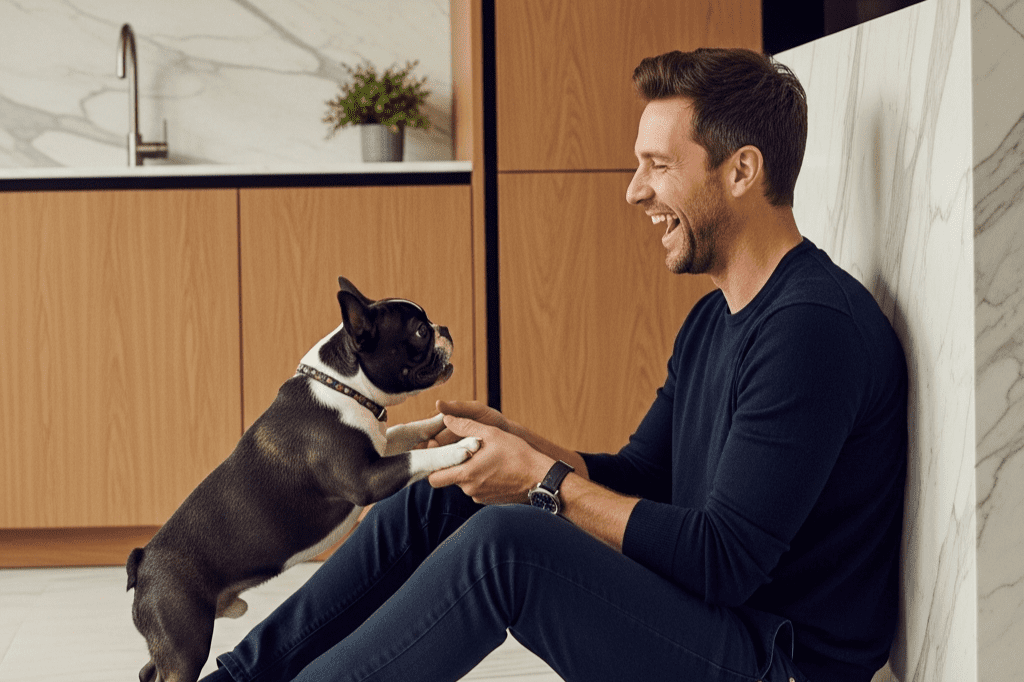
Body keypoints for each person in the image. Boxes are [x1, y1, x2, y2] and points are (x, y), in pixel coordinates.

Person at [202, 48, 907, 682]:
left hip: (773, 660)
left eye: (659, 166)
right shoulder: (714, 319)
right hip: (718, 622)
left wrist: (540, 481)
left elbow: (722, 560)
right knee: (447, 487)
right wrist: (515, 446)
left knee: (509, 545)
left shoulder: (811, 329)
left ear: (742, 170)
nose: (635, 190)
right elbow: (640, 479)